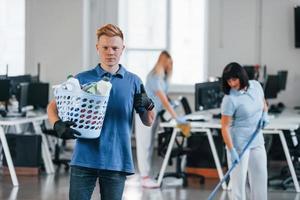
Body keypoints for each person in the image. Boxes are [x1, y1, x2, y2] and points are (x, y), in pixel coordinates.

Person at [47, 24, 155, 200]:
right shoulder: (82, 78)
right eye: (105, 47)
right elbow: (53, 106)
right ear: (98, 48)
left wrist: (149, 104)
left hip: (116, 160)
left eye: (115, 48)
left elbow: (148, 121)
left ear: (122, 49)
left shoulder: (133, 81)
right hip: (84, 158)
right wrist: (57, 124)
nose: (110, 52)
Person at [135, 50, 186, 188]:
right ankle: (144, 176)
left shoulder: (163, 79)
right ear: (163, 62)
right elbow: (162, 99)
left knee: (151, 144)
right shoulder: (154, 76)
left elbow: (164, 99)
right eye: (168, 63)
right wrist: (176, 117)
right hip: (144, 112)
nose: (170, 66)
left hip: (154, 113)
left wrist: (174, 108)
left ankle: (146, 175)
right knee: (144, 144)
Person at [220, 62, 269, 200]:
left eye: (234, 79)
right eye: (228, 81)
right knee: (239, 187)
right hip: (239, 145)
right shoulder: (229, 99)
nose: (232, 83)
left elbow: (263, 103)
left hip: (256, 140)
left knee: (260, 181)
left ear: (241, 76)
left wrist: (265, 114)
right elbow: (224, 127)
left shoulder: (256, 86)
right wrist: (231, 150)